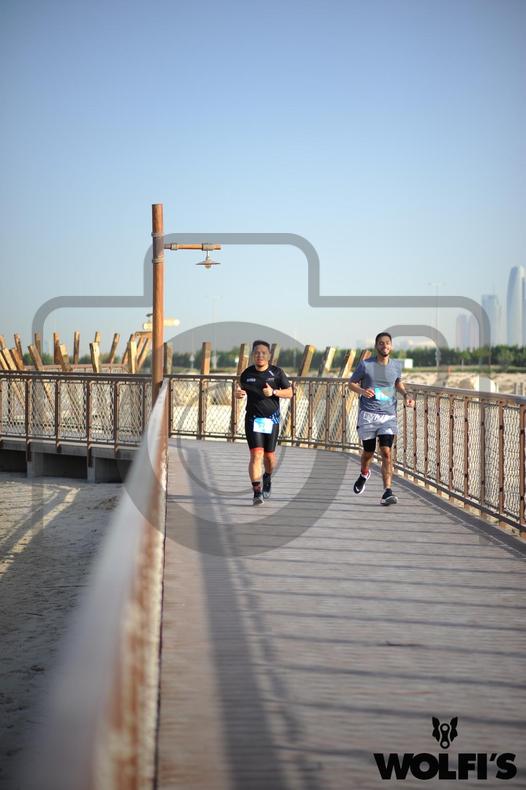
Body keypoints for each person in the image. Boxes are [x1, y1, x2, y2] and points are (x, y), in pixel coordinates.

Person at [349, 332, 415, 505]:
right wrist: (362, 391)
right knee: (368, 453)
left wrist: (406, 394)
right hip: (368, 415)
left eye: (387, 343)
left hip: (388, 415)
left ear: (391, 346)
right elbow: (351, 383)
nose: (384, 346)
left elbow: (397, 382)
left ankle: (387, 491)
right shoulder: (365, 365)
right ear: (376, 346)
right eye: (381, 343)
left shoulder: (396, 365)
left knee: (386, 452)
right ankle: (364, 473)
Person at [236, 341, 293, 505]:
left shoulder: (277, 373)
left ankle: (267, 477)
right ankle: (257, 491)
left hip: (272, 420)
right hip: (253, 419)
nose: (260, 355)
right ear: (253, 355)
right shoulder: (247, 374)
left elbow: (290, 392)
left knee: (269, 456)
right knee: (256, 455)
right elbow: (241, 390)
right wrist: (238, 394)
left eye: (263, 353)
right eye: (257, 353)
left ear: (269, 355)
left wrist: (273, 392)